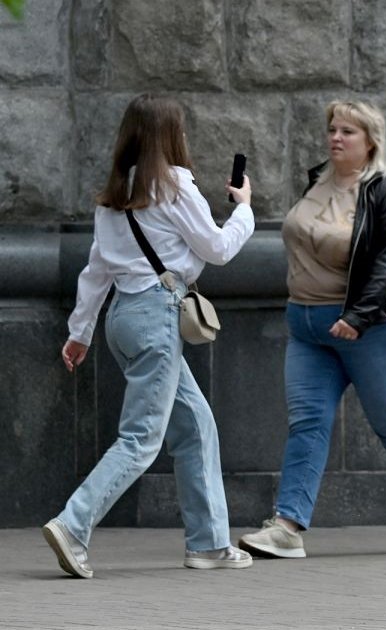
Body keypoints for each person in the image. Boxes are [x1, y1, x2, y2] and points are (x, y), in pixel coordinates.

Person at [49, 93, 256, 578]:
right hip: (158, 316)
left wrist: (80, 332)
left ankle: (209, 544)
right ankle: (72, 525)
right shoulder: (175, 186)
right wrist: (245, 209)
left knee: (196, 424)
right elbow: (219, 249)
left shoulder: (116, 192)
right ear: (171, 136)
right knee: (141, 438)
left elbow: (97, 270)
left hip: (122, 318)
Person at [236, 101, 386, 560]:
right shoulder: (317, 181)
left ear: (371, 141)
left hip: (371, 329)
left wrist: (358, 316)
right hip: (308, 327)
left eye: (348, 131)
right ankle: (287, 527)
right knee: (306, 423)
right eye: (332, 129)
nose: (335, 138)